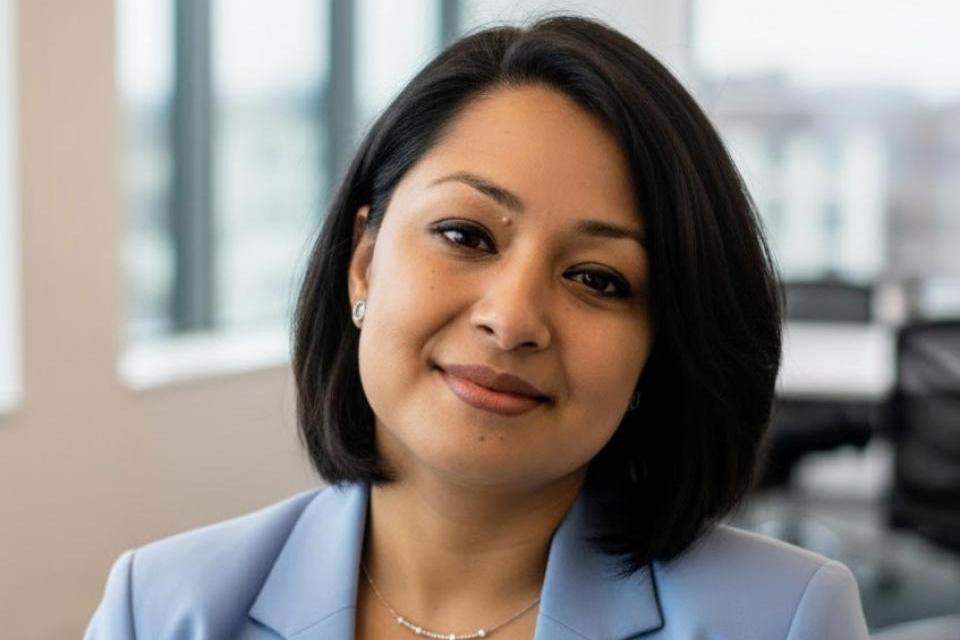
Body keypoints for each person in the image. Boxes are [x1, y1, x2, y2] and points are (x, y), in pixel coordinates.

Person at [86, 15, 870, 640]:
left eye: (597, 279)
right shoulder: (159, 609)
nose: (512, 318)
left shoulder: (783, 620)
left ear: (658, 348)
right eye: (465, 235)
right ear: (363, 262)